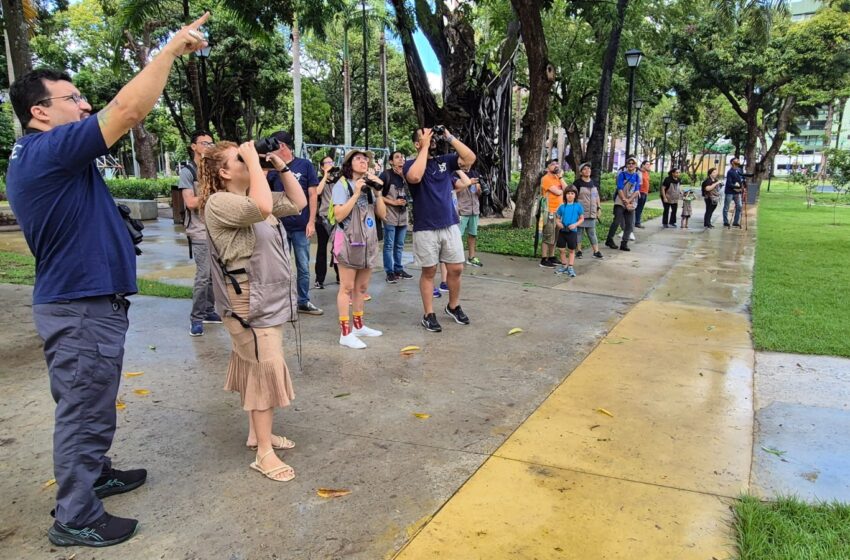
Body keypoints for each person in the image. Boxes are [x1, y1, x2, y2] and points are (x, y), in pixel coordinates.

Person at [5, 13, 210, 548]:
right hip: (78, 306)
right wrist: (168, 51)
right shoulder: (48, 149)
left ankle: (94, 474)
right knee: (83, 408)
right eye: (72, 98)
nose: (83, 105)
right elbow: (128, 108)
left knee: (90, 400)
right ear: (40, 112)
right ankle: (74, 516)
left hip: (82, 302)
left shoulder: (46, 155)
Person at [200, 140, 307, 483]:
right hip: (248, 303)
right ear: (224, 172)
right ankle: (264, 453)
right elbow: (261, 207)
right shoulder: (220, 202)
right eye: (238, 159)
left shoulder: (252, 198)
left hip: (265, 299)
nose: (248, 161)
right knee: (264, 370)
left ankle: (255, 434)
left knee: (256, 367)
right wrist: (256, 164)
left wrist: (280, 166)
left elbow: (298, 202)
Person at [403, 127, 476, 333]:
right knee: (429, 271)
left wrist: (449, 136)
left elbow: (469, 158)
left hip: (449, 224)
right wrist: (424, 147)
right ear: (417, 144)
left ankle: (453, 306)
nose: (431, 139)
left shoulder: (445, 160)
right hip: (425, 228)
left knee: (456, 268)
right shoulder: (410, 164)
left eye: (432, 136)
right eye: (425, 137)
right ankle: (429, 314)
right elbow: (415, 178)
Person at [331, 149, 388, 348]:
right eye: (358, 158)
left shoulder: (370, 187)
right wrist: (356, 193)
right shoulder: (342, 185)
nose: (363, 161)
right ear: (349, 164)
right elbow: (338, 215)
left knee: (361, 288)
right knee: (346, 288)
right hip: (346, 241)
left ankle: (358, 325)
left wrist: (378, 193)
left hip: (367, 242)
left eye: (365, 159)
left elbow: (383, 215)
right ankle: (345, 333)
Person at [267, 130, 323, 315]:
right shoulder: (272, 169)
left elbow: (313, 194)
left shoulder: (305, 165)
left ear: (282, 146)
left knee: (302, 266)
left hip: (301, 226)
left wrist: (311, 221)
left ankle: (303, 301)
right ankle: (283, 302)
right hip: (278, 227)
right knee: (281, 266)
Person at [178, 130, 221, 336]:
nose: (208, 147)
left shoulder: (214, 169)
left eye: (211, 143)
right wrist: (213, 194)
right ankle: (196, 319)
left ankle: (209, 311)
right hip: (199, 231)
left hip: (216, 229)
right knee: (203, 276)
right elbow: (190, 202)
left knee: (214, 275)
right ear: (194, 146)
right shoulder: (188, 172)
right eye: (204, 143)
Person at [379, 150, 413, 283]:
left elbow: (412, 193)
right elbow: (377, 195)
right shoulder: (385, 175)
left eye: (402, 157)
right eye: (397, 157)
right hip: (390, 216)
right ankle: (389, 272)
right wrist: (393, 202)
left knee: (399, 245)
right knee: (388, 245)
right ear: (391, 161)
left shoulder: (406, 176)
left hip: (403, 216)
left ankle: (398, 269)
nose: (401, 160)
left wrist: (404, 177)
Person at [314, 155, 339, 289]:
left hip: (337, 219)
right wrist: (325, 175)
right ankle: (319, 279)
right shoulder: (319, 180)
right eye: (327, 163)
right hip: (322, 219)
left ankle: (340, 276)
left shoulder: (339, 180)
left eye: (331, 162)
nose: (330, 164)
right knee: (321, 249)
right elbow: (317, 192)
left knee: (338, 249)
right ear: (322, 166)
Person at [605, 156, 640, 251]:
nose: (631, 165)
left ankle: (624, 243)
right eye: (629, 163)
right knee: (617, 221)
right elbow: (619, 188)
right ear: (626, 165)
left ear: (636, 165)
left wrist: (629, 201)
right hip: (620, 201)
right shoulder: (622, 175)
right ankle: (609, 239)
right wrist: (625, 200)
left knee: (629, 224)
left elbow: (637, 191)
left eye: (633, 163)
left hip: (631, 201)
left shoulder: (637, 176)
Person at [454, 163, 483, 267]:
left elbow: (478, 194)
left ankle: (471, 257)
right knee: (457, 236)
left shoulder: (475, 174)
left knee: (473, 234)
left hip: (474, 210)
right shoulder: (455, 175)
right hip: (461, 210)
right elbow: (452, 191)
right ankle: (455, 258)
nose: (468, 166)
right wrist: (467, 183)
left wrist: (479, 189)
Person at [573, 162, 604, 259]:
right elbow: (573, 197)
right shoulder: (577, 183)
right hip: (581, 212)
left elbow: (596, 196)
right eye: (585, 169)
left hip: (592, 212)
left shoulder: (593, 182)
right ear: (581, 172)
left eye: (589, 169)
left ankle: (596, 251)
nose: (588, 170)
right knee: (579, 232)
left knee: (592, 233)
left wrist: (599, 208)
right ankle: (579, 251)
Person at [539, 159, 565, 268]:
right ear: (547, 168)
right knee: (548, 234)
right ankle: (544, 259)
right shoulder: (546, 179)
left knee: (555, 235)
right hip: (549, 211)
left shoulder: (557, 178)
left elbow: (567, 189)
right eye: (552, 164)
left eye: (556, 164)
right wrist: (563, 189)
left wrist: (560, 177)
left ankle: (552, 256)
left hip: (559, 211)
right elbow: (559, 192)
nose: (556, 166)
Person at [554, 186, 584, 277]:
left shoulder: (578, 206)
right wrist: (558, 223)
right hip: (563, 231)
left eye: (572, 193)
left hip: (573, 231)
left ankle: (570, 267)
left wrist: (575, 224)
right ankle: (564, 266)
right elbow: (557, 219)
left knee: (571, 250)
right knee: (561, 249)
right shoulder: (562, 207)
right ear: (565, 195)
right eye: (568, 193)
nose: (570, 195)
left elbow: (582, 218)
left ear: (575, 195)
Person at [724, 157, 745, 228]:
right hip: (730, 192)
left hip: (737, 192)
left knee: (739, 206)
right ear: (732, 162)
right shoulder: (730, 172)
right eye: (736, 160)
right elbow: (729, 183)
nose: (738, 161)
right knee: (726, 207)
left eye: (738, 160)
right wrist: (737, 187)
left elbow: (742, 179)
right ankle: (726, 221)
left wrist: (742, 186)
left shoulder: (739, 170)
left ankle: (735, 222)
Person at [634, 160, 651, 228]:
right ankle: (636, 222)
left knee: (640, 208)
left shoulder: (646, 173)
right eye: (647, 164)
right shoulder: (639, 172)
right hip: (640, 192)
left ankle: (637, 222)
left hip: (645, 193)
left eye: (649, 164)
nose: (648, 166)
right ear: (643, 165)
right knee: (637, 208)